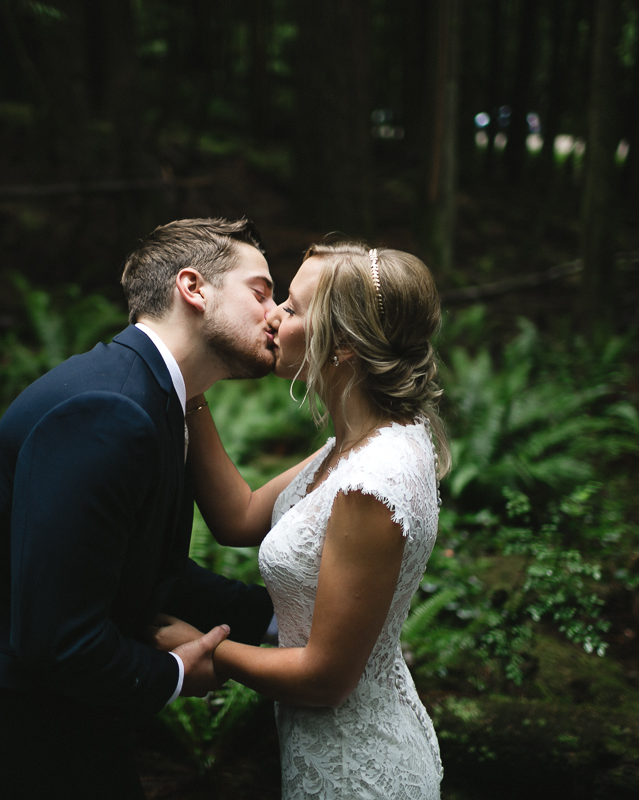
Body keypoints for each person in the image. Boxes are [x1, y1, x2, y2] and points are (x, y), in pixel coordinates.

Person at [0, 218, 282, 799]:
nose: (277, 314)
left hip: (58, 710)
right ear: (193, 289)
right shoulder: (109, 410)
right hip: (16, 725)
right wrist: (171, 675)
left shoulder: (158, 400)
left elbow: (147, 572)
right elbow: (57, 638)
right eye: (261, 291)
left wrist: (281, 619)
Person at [156, 241, 449, 799]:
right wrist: (191, 384)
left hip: (356, 773)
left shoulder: (373, 481)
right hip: (334, 753)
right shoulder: (362, 441)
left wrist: (207, 650)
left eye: (290, 308)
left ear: (341, 344)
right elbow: (240, 517)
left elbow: (325, 678)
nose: (273, 316)